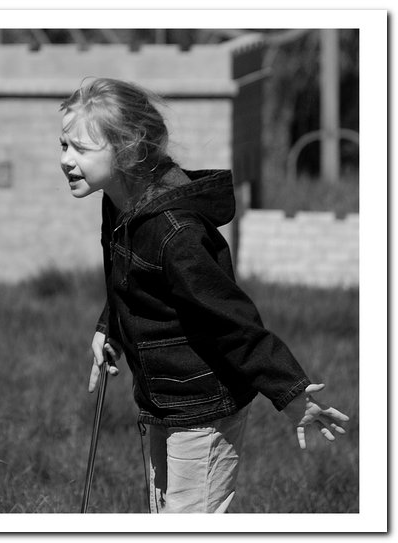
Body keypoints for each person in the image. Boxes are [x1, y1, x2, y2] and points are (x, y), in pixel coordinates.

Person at [58, 78, 350, 514]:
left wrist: (291, 393)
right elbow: (130, 280)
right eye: (63, 145)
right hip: (163, 398)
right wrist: (110, 327)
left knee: (190, 522)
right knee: (165, 514)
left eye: (80, 149)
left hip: (205, 406)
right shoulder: (119, 203)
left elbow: (231, 321)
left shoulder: (177, 234)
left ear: (127, 152)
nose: (65, 160)